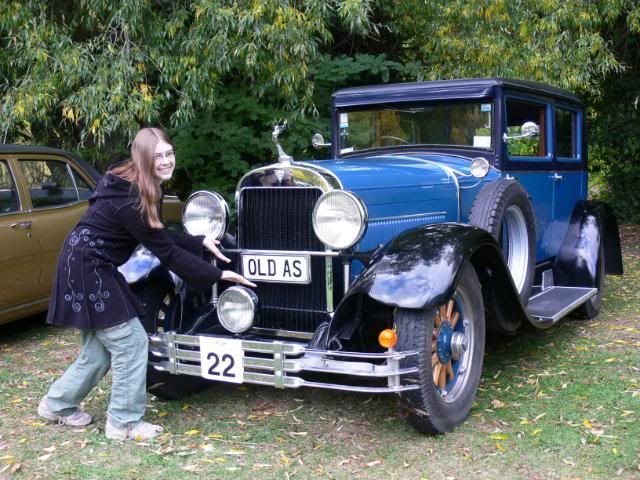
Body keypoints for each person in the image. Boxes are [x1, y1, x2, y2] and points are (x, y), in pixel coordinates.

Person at [37, 127, 255, 441]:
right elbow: (166, 252)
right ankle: (124, 423)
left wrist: (198, 240)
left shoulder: (133, 184)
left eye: (169, 153)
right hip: (91, 269)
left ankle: (57, 404)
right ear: (142, 158)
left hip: (83, 264)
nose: (166, 161)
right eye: (157, 156)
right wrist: (217, 275)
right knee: (131, 341)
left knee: (99, 349)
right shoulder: (132, 197)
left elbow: (156, 235)